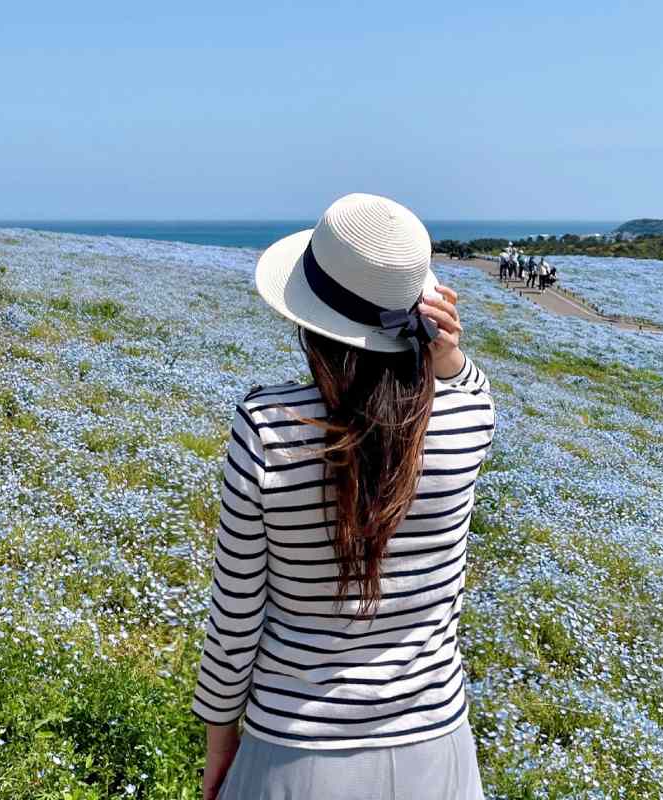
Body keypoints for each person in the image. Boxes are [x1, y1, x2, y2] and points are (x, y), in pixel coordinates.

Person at [194, 193, 493, 800]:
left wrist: (221, 741)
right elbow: (466, 385)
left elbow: (237, 615)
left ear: (309, 317)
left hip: (294, 751)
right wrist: (447, 354)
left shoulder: (268, 427)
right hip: (436, 749)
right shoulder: (469, 419)